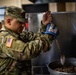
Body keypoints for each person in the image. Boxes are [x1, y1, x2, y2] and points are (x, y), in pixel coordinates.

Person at [0, 6, 59, 75]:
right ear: (9, 21)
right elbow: (27, 51)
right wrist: (49, 36)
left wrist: (44, 25)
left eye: (23, 22)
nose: (23, 26)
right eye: (20, 22)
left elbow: (37, 38)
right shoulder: (4, 38)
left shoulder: (19, 33)